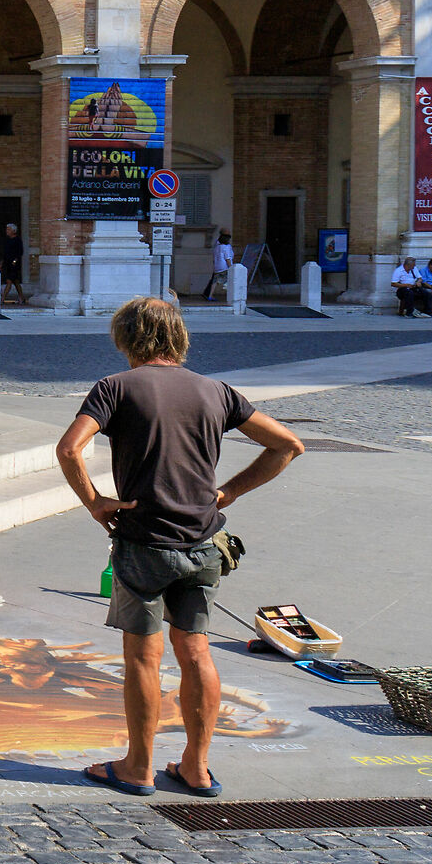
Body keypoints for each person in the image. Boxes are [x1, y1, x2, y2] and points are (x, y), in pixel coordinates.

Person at [56, 297, 303, 798]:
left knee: (143, 659)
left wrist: (96, 502)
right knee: (195, 652)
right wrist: (228, 492)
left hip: (144, 542)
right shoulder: (216, 391)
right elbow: (287, 445)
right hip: (204, 541)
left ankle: (138, 768)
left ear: (126, 339)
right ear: (178, 337)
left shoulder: (115, 388)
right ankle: (196, 767)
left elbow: (68, 448)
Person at [0, 223, 26, 300]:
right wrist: (1, 263)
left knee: (9, 281)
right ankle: (21, 297)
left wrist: (15, 261)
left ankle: (3, 298)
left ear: (13, 231)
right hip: (7, 263)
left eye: (8, 229)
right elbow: (5, 253)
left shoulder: (17, 240)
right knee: (15, 281)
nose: (7, 231)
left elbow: (20, 252)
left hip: (14, 264)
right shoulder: (7, 240)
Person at [202, 232, 233, 302]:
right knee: (230, 281)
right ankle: (232, 296)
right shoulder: (226, 247)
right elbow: (227, 258)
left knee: (214, 282)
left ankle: (210, 295)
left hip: (217, 267)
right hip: (224, 267)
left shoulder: (216, 247)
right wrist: (231, 267)